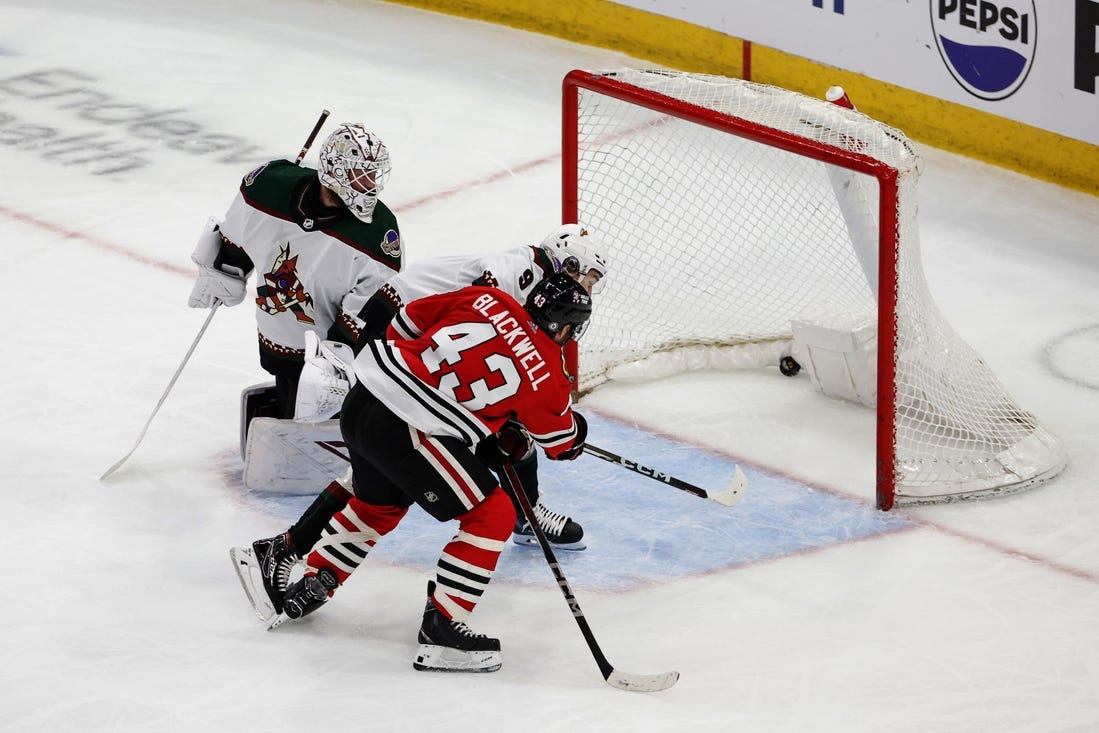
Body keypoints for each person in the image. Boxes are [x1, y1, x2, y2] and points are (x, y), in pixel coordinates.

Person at [241, 224, 608, 619]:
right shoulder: (512, 278)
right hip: (392, 335)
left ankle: (302, 563)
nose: (586, 286)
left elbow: (469, 344)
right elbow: (551, 424)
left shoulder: (522, 291)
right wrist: (431, 393)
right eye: (584, 275)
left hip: (393, 364)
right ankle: (456, 600)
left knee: (385, 489)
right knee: (422, 467)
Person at [278, 273, 593, 673]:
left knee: (380, 504)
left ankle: (317, 579)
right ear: (565, 325)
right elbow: (562, 446)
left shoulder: (489, 298)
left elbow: (405, 321)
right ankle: (442, 628)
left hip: (363, 396)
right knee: (492, 513)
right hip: (406, 428)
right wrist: (575, 429)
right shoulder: (547, 372)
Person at [187, 122, 403, 419]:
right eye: (360, 174)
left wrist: (336, 361)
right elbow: (238, 236)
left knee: (328, 404)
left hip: (334, 353)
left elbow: (367, 310)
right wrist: (224, 269)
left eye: (373, 175)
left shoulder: (378, 236)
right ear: (335, 170)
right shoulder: (268, 188)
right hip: (280, 333)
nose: (370, 184)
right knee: (291, 390)